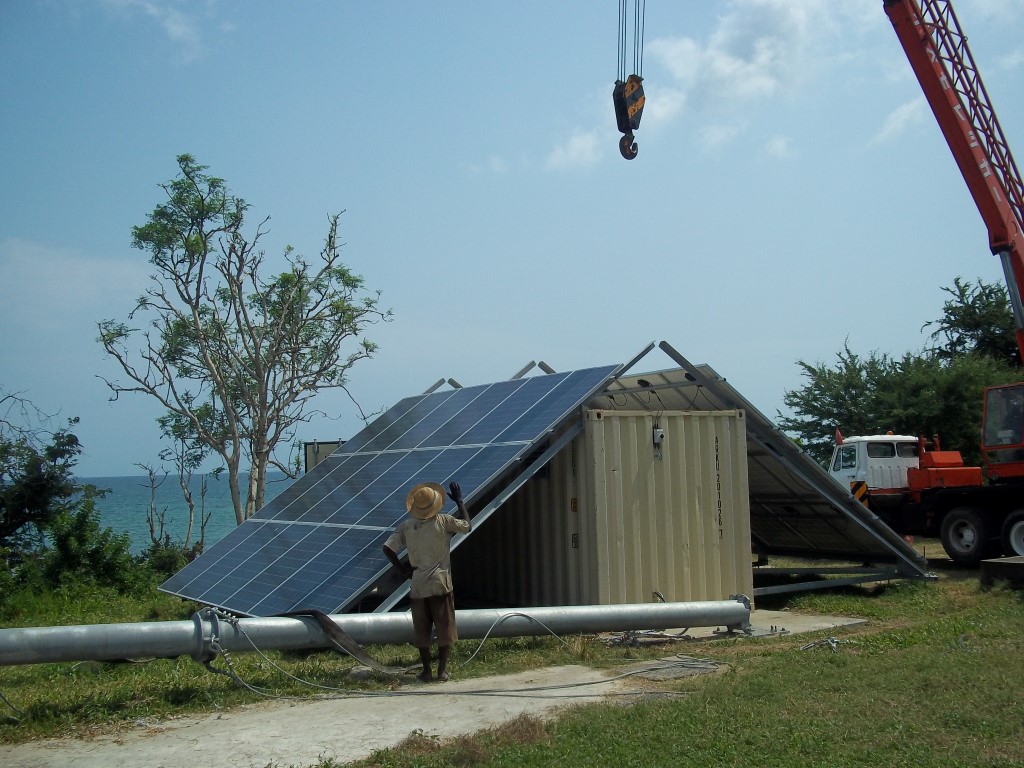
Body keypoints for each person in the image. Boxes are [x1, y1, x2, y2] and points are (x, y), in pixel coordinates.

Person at [383, 480, 470, 682]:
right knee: (444, 628)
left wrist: (403, 570)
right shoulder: (443, 521)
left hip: (418, 585)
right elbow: (467, 526)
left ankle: (426, 671)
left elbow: (387, 549)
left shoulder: (406, 526)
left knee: (421, 630)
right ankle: (442, 671)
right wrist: (459, 501)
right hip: (441, 584)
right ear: (436, 504)